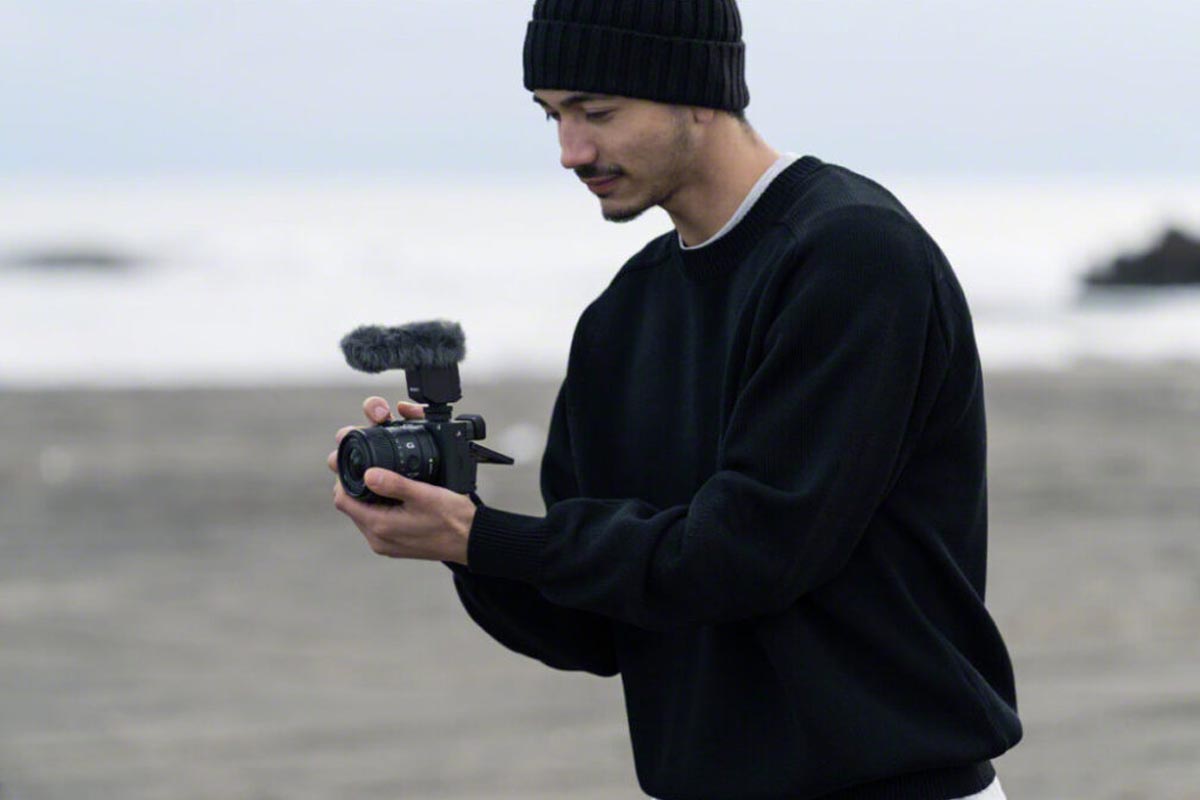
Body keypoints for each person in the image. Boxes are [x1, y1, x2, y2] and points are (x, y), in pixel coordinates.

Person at [329, 1, 1022, 797]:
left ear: (699, 90)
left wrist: (491, 540)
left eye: (597, 111)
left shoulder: (852, 256)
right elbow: (590, 623)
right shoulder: (623, 315)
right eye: (552, 115)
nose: (570, 150)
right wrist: (451, 518)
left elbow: (749, 554)